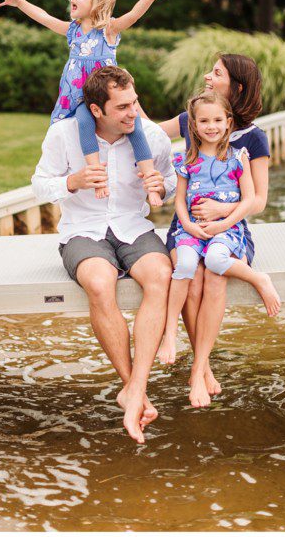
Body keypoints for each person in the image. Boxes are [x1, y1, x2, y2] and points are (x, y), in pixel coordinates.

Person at [32, 65, 176, 444]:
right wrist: (71, 181)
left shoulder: (153, 138)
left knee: (161, 275)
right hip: (83, 230)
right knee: (99, 282)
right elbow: (39, 185)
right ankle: (134, 389)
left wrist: (163, 185)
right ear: (97, 110)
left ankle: (135, 389)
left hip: (134, 227)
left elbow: (172, 181)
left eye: (135, 103)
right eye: (123, 107)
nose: (133, 113)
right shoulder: (64, 135)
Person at [156, 54, 281, 400]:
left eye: (217, 72)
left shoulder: (253, 140)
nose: (207, 76)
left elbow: (258, 199)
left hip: (228, 228)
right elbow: (148, 130)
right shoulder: (194, 117)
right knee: (190, 278)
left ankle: (197, 370)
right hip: (188, 228)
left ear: (236, 87)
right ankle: (204, 367)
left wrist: (221, 212)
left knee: (213, 273)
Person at [0, 0, 172, 205]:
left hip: (108, 94)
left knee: (137, 129)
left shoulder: (108, 30)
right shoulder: (73, 30)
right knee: (84, 123)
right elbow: (44, 17)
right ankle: (98, 177)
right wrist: (18, 2)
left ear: (98, 2)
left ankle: (151, 184)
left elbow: (133, 15)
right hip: (81, 97)